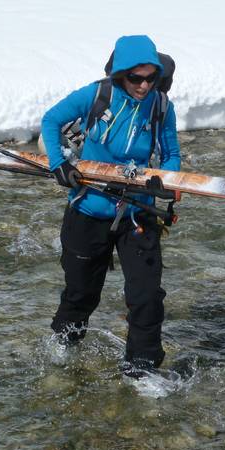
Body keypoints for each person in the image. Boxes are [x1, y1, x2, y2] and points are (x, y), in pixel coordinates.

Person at [40, 35, 180, 377]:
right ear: (120, 75)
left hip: (137, 211)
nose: (144, 86)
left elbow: (172, 154)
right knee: (81, 292)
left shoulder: (162, 106)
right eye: (136, 78)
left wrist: (169, 183)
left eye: (151, 78)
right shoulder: (97, 95)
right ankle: (66, 341)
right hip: (89, 208)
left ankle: (141, 369)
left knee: (146, 297)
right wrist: (60, 164)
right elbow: (50, 120)